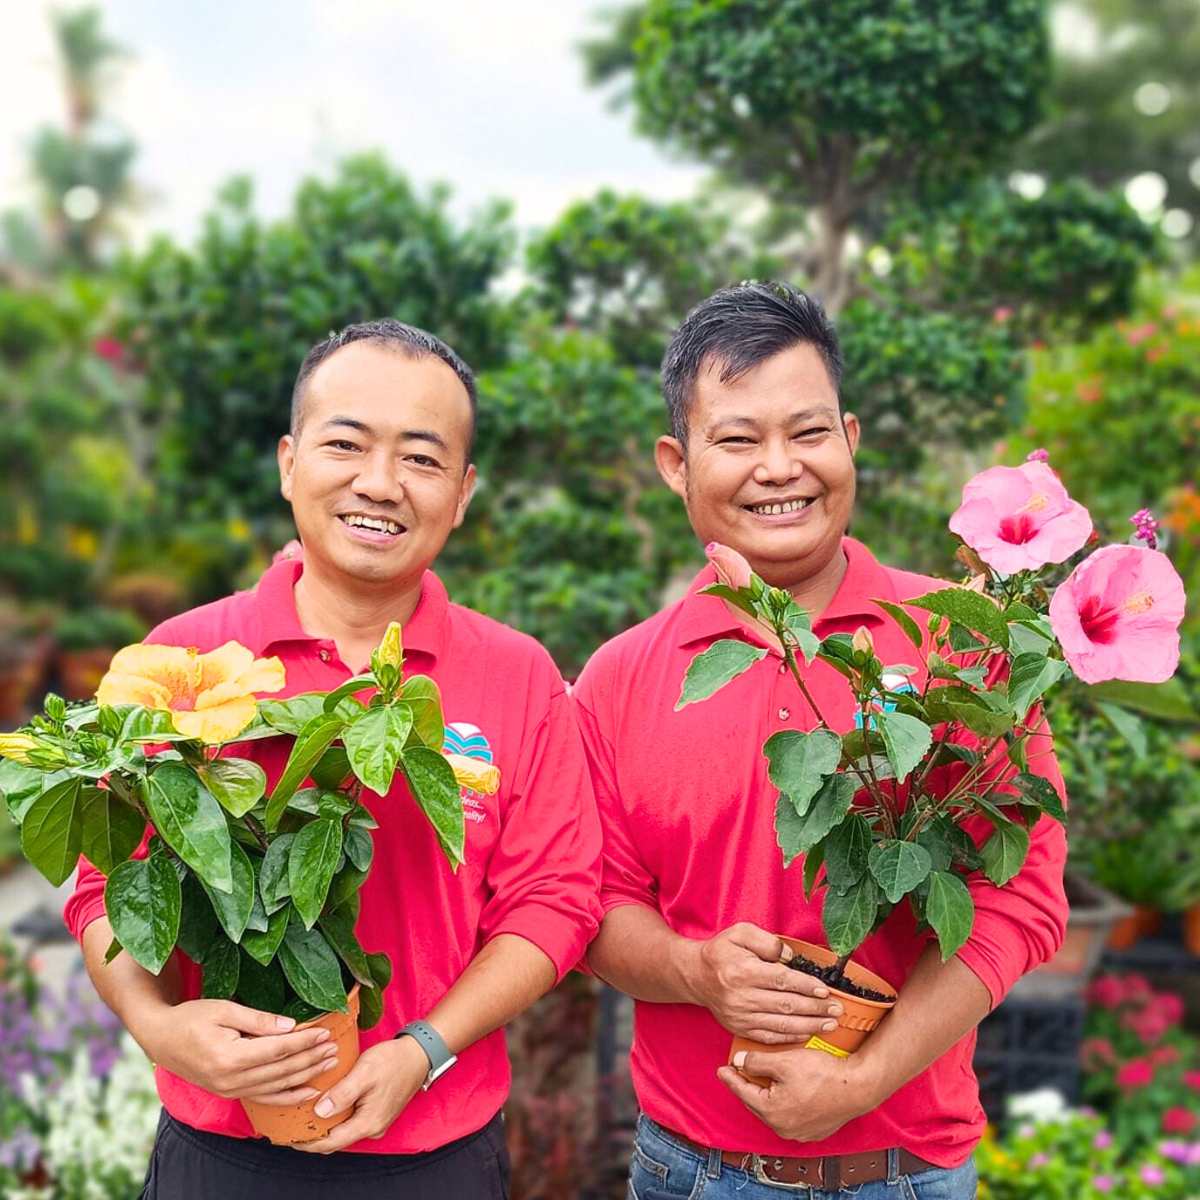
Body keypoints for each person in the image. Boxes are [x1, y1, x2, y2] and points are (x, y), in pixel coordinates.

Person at [64, 318, 603, 1199]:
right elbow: (109, 887)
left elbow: (556, 903)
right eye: (346, 444)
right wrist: (153, 1024)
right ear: (288, 462)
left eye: (422, 459)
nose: (380, 484)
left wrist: (422, 1050)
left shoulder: (516, 674)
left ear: (463, 492)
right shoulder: (185, 660)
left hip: (437, 1152)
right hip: (222, 1155)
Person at [574, 282, 1068, 1200]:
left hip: (904, 1172)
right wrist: (695, 969)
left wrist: (862, 1081)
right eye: (736, 439)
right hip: (687, 1171)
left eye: (807, 433)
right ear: (675, 464)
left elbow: (1020, 898)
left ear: (851, 439)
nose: (779, 468)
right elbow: (593, 907)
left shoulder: (958, 643)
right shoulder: (620, 679)